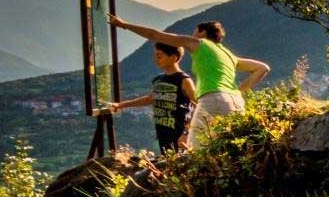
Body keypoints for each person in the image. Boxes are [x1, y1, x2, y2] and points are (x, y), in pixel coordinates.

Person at [109, 16, 269, 148]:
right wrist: (238, 91)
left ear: (202, 32)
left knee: (193, 152)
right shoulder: (228, 54)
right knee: (225, 149)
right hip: (236, 103)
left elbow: (154, 35)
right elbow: (262, 68)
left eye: (195, 31)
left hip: (213, 99)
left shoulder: (199, 43)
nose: (192, 34)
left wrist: (124, 25)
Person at [106, 43, 197, 155]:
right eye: (155, 55)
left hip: (179, 134)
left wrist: (186, 133)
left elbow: (198, 107)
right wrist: (120, 105)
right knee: (168, 163)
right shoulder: (158, 80)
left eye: (159, 56)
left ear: (174, 57)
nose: (156, 59)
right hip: (162, 132)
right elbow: (150, 99)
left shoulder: (184, 80)